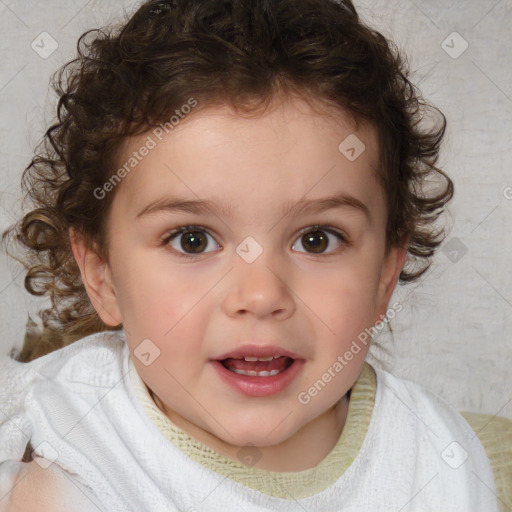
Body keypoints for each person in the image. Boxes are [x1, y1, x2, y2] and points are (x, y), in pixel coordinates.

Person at [0, 0, 501, 510]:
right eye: (192, 239)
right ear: (102, 275)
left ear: (384, 277)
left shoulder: (434, 455)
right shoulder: (69, 456)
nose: (261, 295)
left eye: (317, 239)